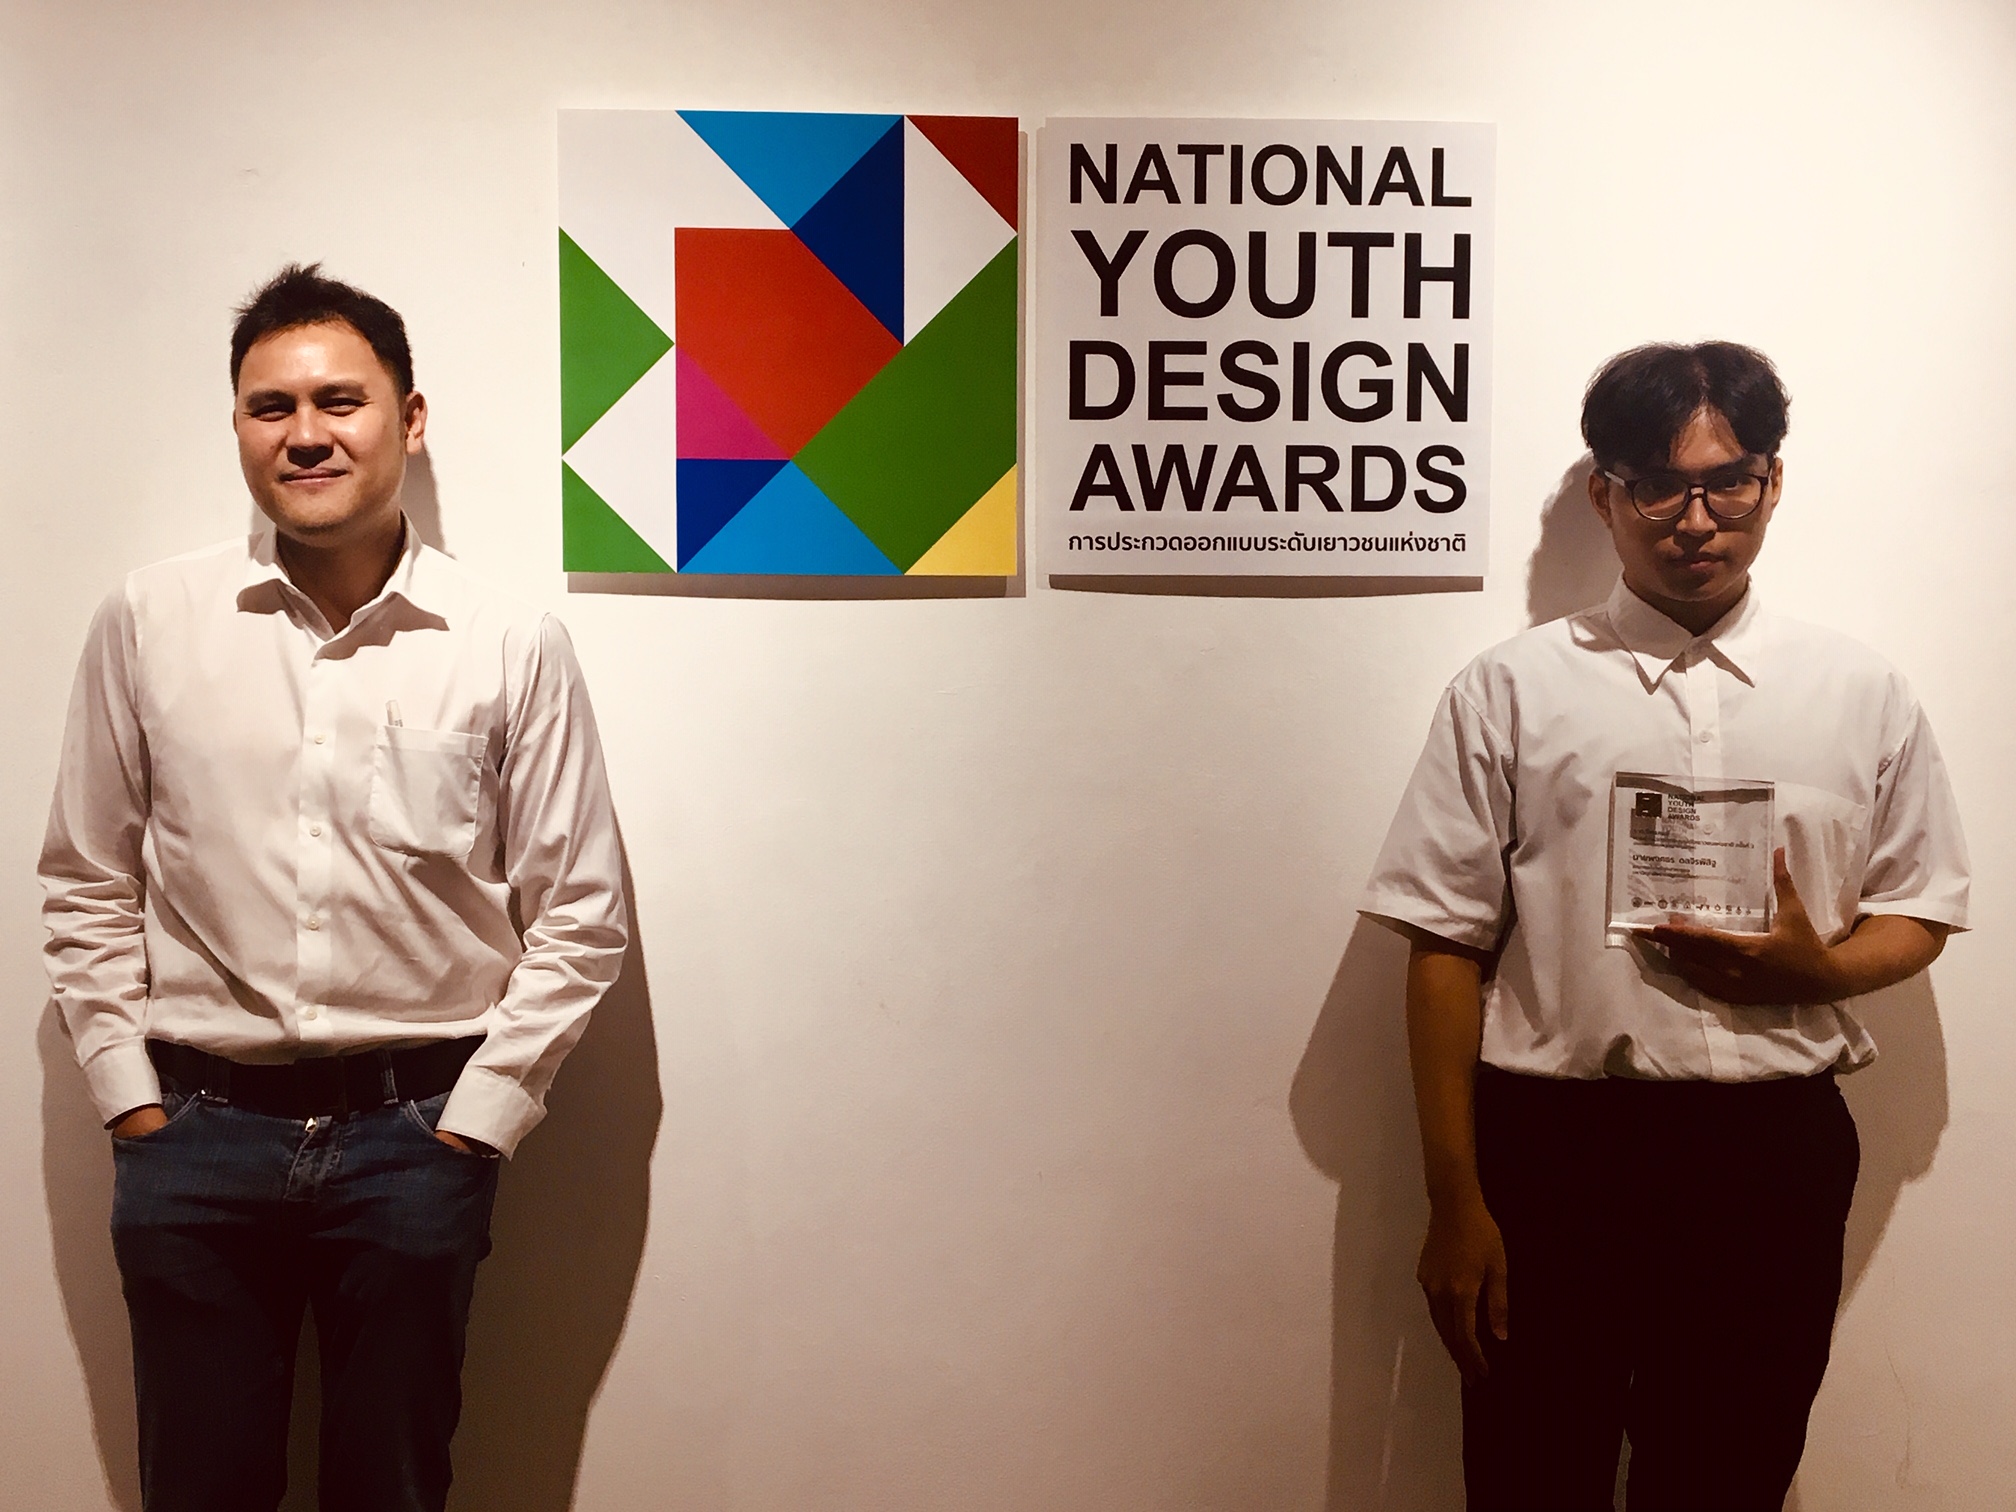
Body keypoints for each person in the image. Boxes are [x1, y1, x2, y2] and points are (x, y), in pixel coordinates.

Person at [39, 264, 628, 1512]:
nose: (305, 433)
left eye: (340, 400)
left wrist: (476, 1124)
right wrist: (131, 1103)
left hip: (415, 1141)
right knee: (199, 1493)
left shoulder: (506, 641)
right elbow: (86, 877)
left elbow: (581, 914)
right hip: (194, 1138)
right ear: (239, 426)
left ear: (409, 420)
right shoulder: (149, 621)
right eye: (272, 406)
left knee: (392, 1491)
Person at [1360, 341, 1968, 1511]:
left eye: (1727, 480)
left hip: (1772, 1157)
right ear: (1606, 495)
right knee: (1532, 1477)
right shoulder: (1509, 691)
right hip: (1556, 1153)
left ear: (1772, 481)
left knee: (1726, 1480)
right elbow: (1443, 946)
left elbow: (1921, 908)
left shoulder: (1861, 692)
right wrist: (1456, 1201)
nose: (1696, 519)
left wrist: (1820, 971)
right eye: (1655, 485)